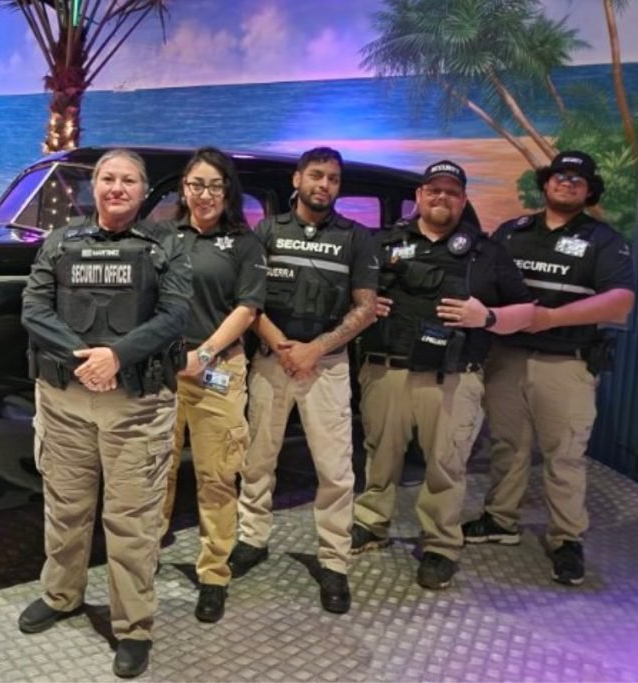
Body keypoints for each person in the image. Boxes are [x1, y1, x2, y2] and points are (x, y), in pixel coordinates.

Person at [18, 148, 192, 679]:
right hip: (65, 402)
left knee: (132, 522)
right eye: (108, 179)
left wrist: (117, 356)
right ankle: (62, 594)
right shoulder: (60, 240)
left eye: (129, 181)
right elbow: (33, 307)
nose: (117, 188)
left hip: (136, 407)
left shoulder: (167, 246)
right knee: (65, 508)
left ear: (144, 192)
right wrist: (87, 359)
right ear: (94, 188)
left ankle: (133, 627)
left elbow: (176, 313)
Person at [350, 160, 536, 590]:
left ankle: (440, 545)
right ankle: (372, 525)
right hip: (387, 370)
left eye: (452, 192)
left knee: (446, 465)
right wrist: (364, 306)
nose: (441, 197)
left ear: (463, 200)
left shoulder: (486, 253)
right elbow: (352, 292)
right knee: (379, 456)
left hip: (453, 377)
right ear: (419, 196)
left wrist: (485, 315)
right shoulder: (384, 243)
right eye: (433, 190)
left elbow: (527, 312)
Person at [461, 151, 635, 586]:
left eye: (578, 180)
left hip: (566, 363)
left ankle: (566, 539)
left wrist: (552, 319)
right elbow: (484, 281)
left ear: (589, 191)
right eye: (560, 176)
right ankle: (501, 520)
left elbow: (620, 302)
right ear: (546, 184)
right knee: (507, 444)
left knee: (565, 455)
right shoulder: (511, 232)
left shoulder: (604, 240)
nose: (568, 183)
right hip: (507, 357)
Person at [227, 146, 378, 615]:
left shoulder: (356, 237)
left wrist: (316, 349)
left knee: (335, 471)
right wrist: (284, 347)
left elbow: (367, 307)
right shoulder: (268, 231)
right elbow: (249, 301)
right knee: (257, 459)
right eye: (316, 175)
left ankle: (334, 562)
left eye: (333, 178)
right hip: (273, 362)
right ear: (297, 179)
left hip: (327, 368)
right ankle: (252, 538)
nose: (324, 185)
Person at [157, 147, 266, 623]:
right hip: (160, 374)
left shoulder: (244, 244)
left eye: (215, 186)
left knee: (217, 476)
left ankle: (214, 573)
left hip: (217, 370)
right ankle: (142, 560)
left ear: (228, 191)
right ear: (183, 189)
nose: (204, 195)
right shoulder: (161, 238)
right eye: (196, 185)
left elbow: (248, 309)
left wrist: (203, 355)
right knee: (154, 472)